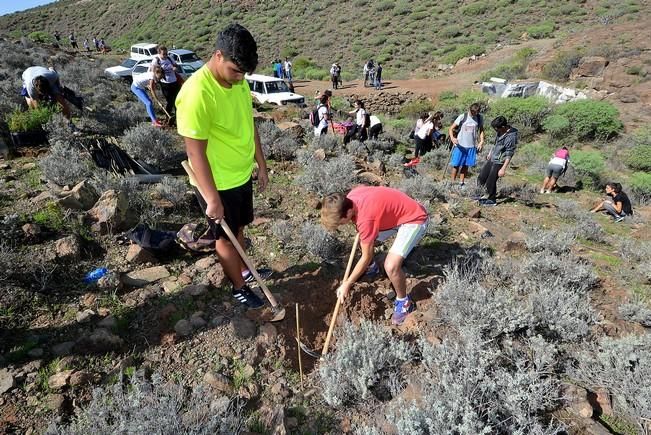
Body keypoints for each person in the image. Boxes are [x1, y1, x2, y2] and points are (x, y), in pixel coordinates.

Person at [176, 23, 271, 310]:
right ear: (218, 56)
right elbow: (195, 153)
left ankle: (242, 271)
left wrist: (261, 164)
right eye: (235, 70)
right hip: (216, 183)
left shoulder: (238, 83)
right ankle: (239, 287)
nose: (240, 78)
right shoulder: (197, 93)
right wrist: (212, 198)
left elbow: (248, 123)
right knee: (224, 239)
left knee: (239, 227)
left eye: (243, 73)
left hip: (240, 175)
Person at [319, 186, 429, 325]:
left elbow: (366, 255)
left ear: (348, 213)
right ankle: (373, 268)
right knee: (363, 239)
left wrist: (348, 283)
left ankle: (404, 303)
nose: (341, 225)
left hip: (414, 219)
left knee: (391, 266)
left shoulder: (366, 220)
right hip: (395, 216)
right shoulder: (352, 195)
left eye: (340, 222)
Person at [476, 116, 518, 206]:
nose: (495, 130)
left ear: (503, 127)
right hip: (493, 158)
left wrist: (503, 169)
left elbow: (509, 153)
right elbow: (496, 143)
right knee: (481, 178)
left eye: (496, 128)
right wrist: (490, 153)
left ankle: (492, 200)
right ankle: (479, 194)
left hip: (500, 161)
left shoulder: (511, 137)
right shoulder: (500, 131)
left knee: (491, 181)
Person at [448, 103, 485, 187]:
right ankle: (452, 183)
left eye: (476, 113)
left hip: (471, 146)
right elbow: (451, 128)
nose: (474, 114)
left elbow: (481, 130)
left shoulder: (479, 118)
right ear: (470, 110)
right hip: (460, 146)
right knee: (456, 165)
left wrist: (481, 141)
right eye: (473, 112)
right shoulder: (463, 116)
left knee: (466, 165)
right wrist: (453, 138)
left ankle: (461, 183)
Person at [150, 45, 181, 120]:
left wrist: (175, 68)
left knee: (177, 100)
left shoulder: (170, 58)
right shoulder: (156, 60)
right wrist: (156, 79)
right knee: (170, 101)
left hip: (174, 81)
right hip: (165, 83)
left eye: (166, 53)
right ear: (159, 53)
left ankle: (178, 117)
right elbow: (152, 71)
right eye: (163, 54)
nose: (165, 55)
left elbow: (176, 66)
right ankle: (168, 118)